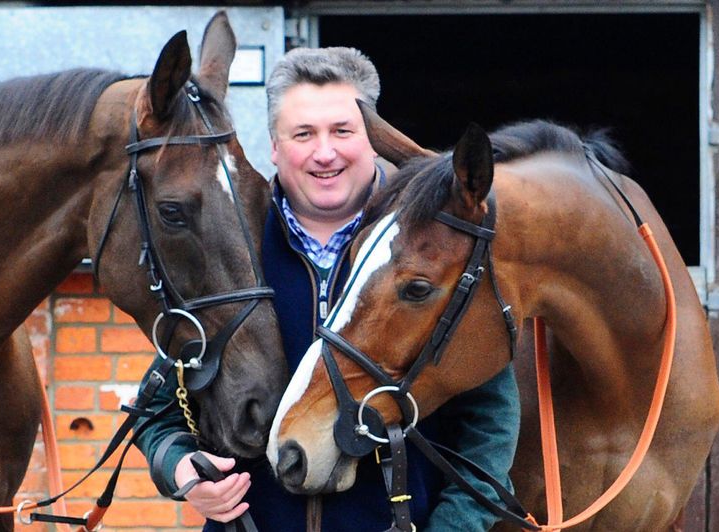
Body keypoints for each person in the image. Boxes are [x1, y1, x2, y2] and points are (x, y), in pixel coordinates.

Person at [134, 46, 521, 532]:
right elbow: (159, 411)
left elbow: (490, 429)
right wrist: (182, 470)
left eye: (342, 130)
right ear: (274, 145)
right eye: (303, 134)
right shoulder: (229, 256)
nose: (324, 152)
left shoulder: (436, 259)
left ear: (374, 139)